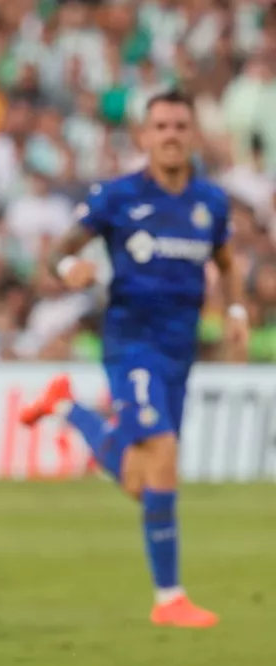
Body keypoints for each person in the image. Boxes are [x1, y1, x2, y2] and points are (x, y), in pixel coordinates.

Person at [21, 89, 249, 629]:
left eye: (179, 125)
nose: (170, 134)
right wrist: (68, 267)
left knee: (142, 483)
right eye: (160, 126)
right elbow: (59, 251)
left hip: (179, 350)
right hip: (131, 343)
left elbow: (227, 260)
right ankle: (169, 598)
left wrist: (236, 308)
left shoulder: (211, 203)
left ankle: (68, 408)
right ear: (145, 136)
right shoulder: (118, 197)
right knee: (163, 452)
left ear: (192, 135)